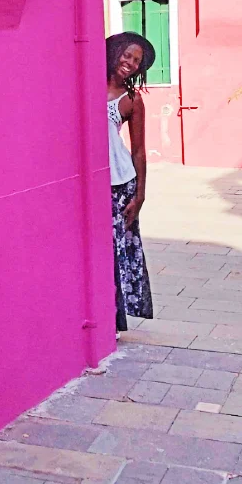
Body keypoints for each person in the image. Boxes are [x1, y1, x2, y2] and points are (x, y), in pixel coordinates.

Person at [106, 32, 155, 336]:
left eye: (136, 61)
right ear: (115, 52)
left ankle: (114, 319)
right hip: (90, 181)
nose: (131, 63)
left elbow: (138, 149)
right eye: (127, 55)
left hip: (119, 182)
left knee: (117, 251)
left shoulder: (132, 101)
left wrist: (141, 195)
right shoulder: (86, 82)